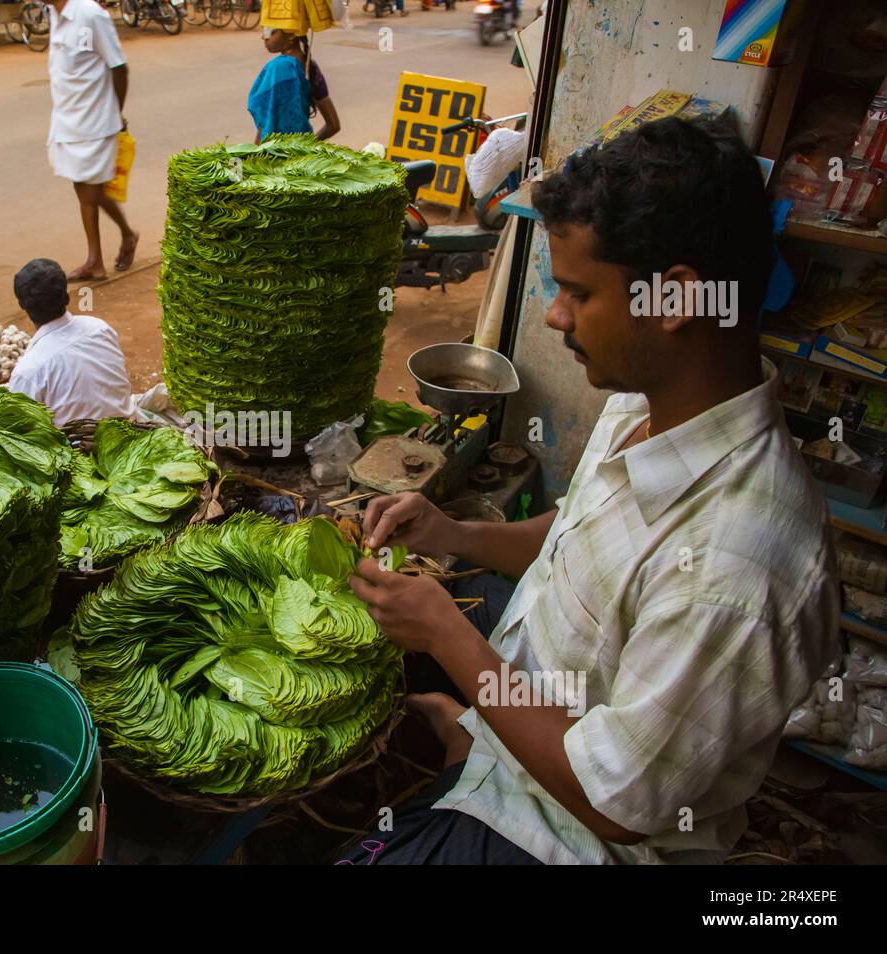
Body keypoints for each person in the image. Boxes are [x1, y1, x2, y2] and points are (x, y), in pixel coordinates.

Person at [344, 115, 839, 864]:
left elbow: (613, 804)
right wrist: (454, 533)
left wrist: (451, 639)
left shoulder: (736, 568)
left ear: (675, 301)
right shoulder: (646, 406)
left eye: (578, 292)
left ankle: (464, 753)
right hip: (530, 707)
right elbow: (576, 536)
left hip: (564, 833)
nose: (555, 315)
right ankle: (465, 741)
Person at [46, 0, 138, 282]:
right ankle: (127, 234)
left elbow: (119, 67)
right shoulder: (54, 14)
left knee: (88, 191)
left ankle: (95, 261)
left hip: (95, 119)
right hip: (67, 118)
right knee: (86, 187)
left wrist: (116, 113)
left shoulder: (90, 14)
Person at [7, 258, 134, 425]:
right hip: (126, 430)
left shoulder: (29, 371)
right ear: (67, 298)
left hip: (77, 441)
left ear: (22, 305)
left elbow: (18, 428)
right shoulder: (100, 329)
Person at [248, 29, 340, 143]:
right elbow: (333, 125)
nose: (264, 37)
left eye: (271, 32)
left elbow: (266, 122)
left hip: (274, 151)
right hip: (302, 150)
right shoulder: (310, 67)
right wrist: (306, 147)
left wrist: (255, 153)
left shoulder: (278, 67)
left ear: (291, 34)